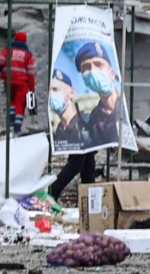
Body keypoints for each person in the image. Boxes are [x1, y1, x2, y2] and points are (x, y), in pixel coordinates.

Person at [48, 69, 98, 202]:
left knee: (79, 162)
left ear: (71, 92)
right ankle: (90, 203)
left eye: (56, 89)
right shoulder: (60, 128)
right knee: (88, 164)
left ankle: (53, 192)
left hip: (82, 132)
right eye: (50, 91)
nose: (53, 95)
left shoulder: (83, 121)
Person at [74, 41, 124, 148]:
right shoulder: (94, 118)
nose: (93, 71)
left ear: (111, 74)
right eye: (86, 67)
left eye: (98, 64)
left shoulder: (126, 105)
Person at [0, 31, 36, 134]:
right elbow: (30, 72)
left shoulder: (7, 49)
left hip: (8, 80)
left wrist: (0, 69)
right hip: (22, 82)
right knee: (20, 104)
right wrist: (31, 88)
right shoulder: (28, 54)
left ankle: (11, 123)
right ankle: (17, 128)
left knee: (11, 102)